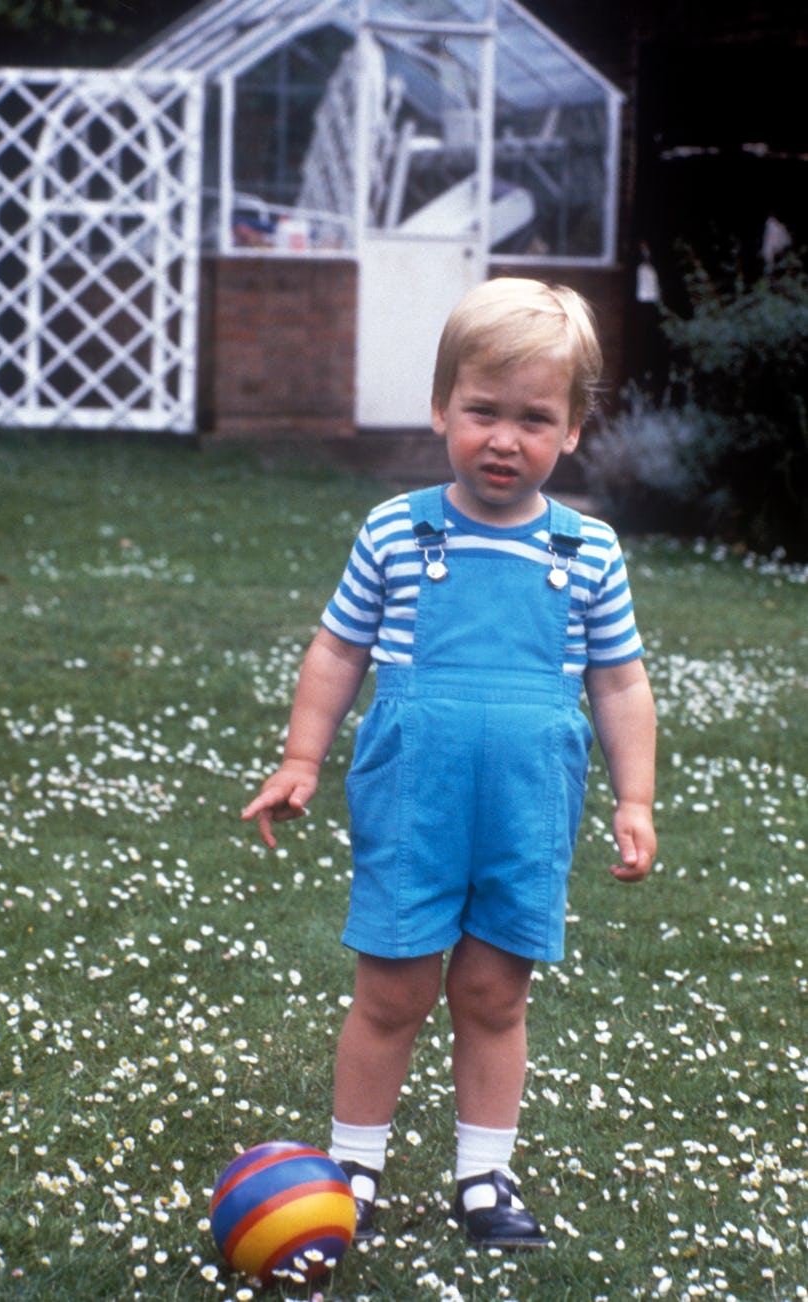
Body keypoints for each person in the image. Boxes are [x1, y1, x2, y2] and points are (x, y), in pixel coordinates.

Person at [242, 277, 657, 1249]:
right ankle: (352, 1167)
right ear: (440, 407)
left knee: (492, 993)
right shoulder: (397, 531)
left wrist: (634, 798)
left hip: (526, 811)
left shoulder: (587, 552)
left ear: (573, 429)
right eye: (482, 411)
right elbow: (338, 649)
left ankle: (484, 1180)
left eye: (533, 418)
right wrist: (303, 755)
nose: (504, 438)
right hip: (412, 804)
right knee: (391, 991)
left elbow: (622, 684)